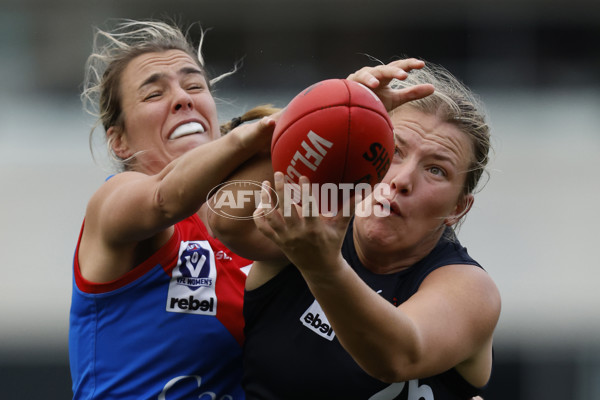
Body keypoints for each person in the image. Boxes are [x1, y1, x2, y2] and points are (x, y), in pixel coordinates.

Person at [234, 59, 501, 399]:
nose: (402, 180)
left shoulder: (469, 289)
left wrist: (322, 268)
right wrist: (329, 116)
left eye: (436, 170)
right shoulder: (302, 226)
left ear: (457, 209)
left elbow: (399, 356)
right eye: (393, 151)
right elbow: (226, 221)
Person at [68, 19, 279, 399]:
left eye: (194, 85)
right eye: (153, 94)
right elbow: (165, 198)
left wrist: (358, 107)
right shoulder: (115, 203)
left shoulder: (254, 221)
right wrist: (261, 135)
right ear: (119, 142)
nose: (183, 98)